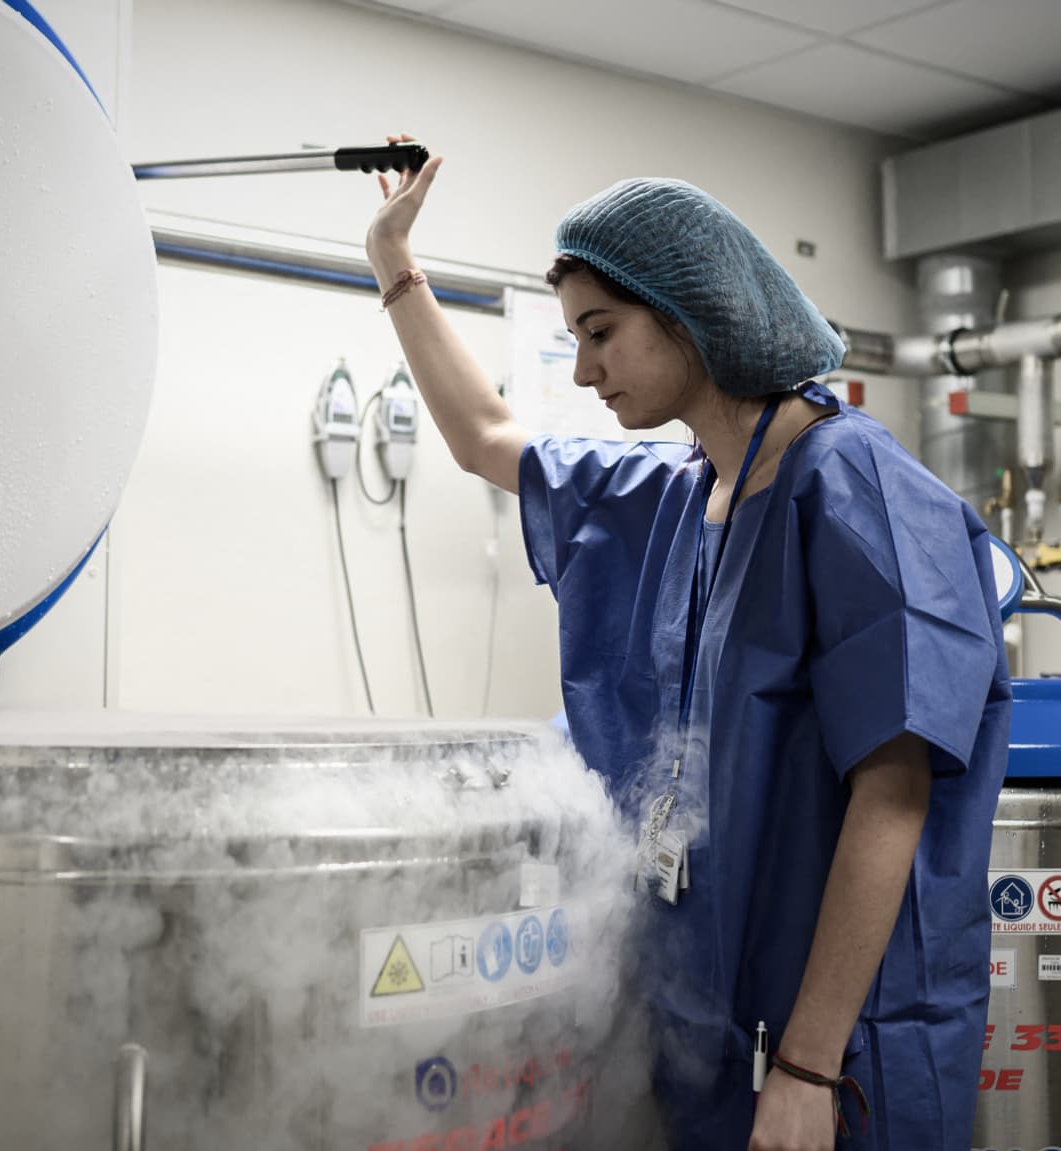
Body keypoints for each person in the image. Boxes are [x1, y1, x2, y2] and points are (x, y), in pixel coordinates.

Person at [364, 143, 1010, 1151]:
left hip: (840, 1054)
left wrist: (806, 1064)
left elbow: (894, 791)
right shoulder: (673, 494)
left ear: (688, 312)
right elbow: (487, 437)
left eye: (601, 332)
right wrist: (392, 264)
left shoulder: (853, 489)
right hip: (709, 1029)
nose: (582, 369)